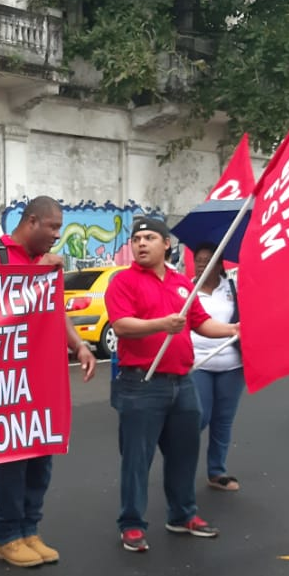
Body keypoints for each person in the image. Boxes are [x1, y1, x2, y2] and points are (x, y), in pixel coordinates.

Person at [0, 196, 97, 568]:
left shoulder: (47, 266)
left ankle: (30, 529)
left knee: (43, 453)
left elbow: (55, 313)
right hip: (7, 380)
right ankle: (7, 535)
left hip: (45, 375)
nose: (58, 235)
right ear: (31, 222)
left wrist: (80, 346)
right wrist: (39, 269)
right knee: (13, 459)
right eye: (53, 227)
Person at [105, 217, 239, 553]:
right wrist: (161, 324)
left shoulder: (182, 284)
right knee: (137, 459)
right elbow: (121, 326)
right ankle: (132, 524)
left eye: (150, 237)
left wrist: (234, 329)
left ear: (166, 244)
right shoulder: (123, 282)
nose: (141, 244)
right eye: (136, 239)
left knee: (184, 455)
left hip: (183, 382)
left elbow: (202, 324)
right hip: (141, 384)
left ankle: (182, 515)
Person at [189, 243, 245, 492]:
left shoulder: (232, 289)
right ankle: (182, 467)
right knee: (199, 417)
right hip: (197, 363)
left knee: (223, 420)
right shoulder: (186, 289)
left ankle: (216, 471)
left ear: (219, 264)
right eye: (198, 260)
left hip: (232, 365)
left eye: (206, 260)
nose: (200, 264)